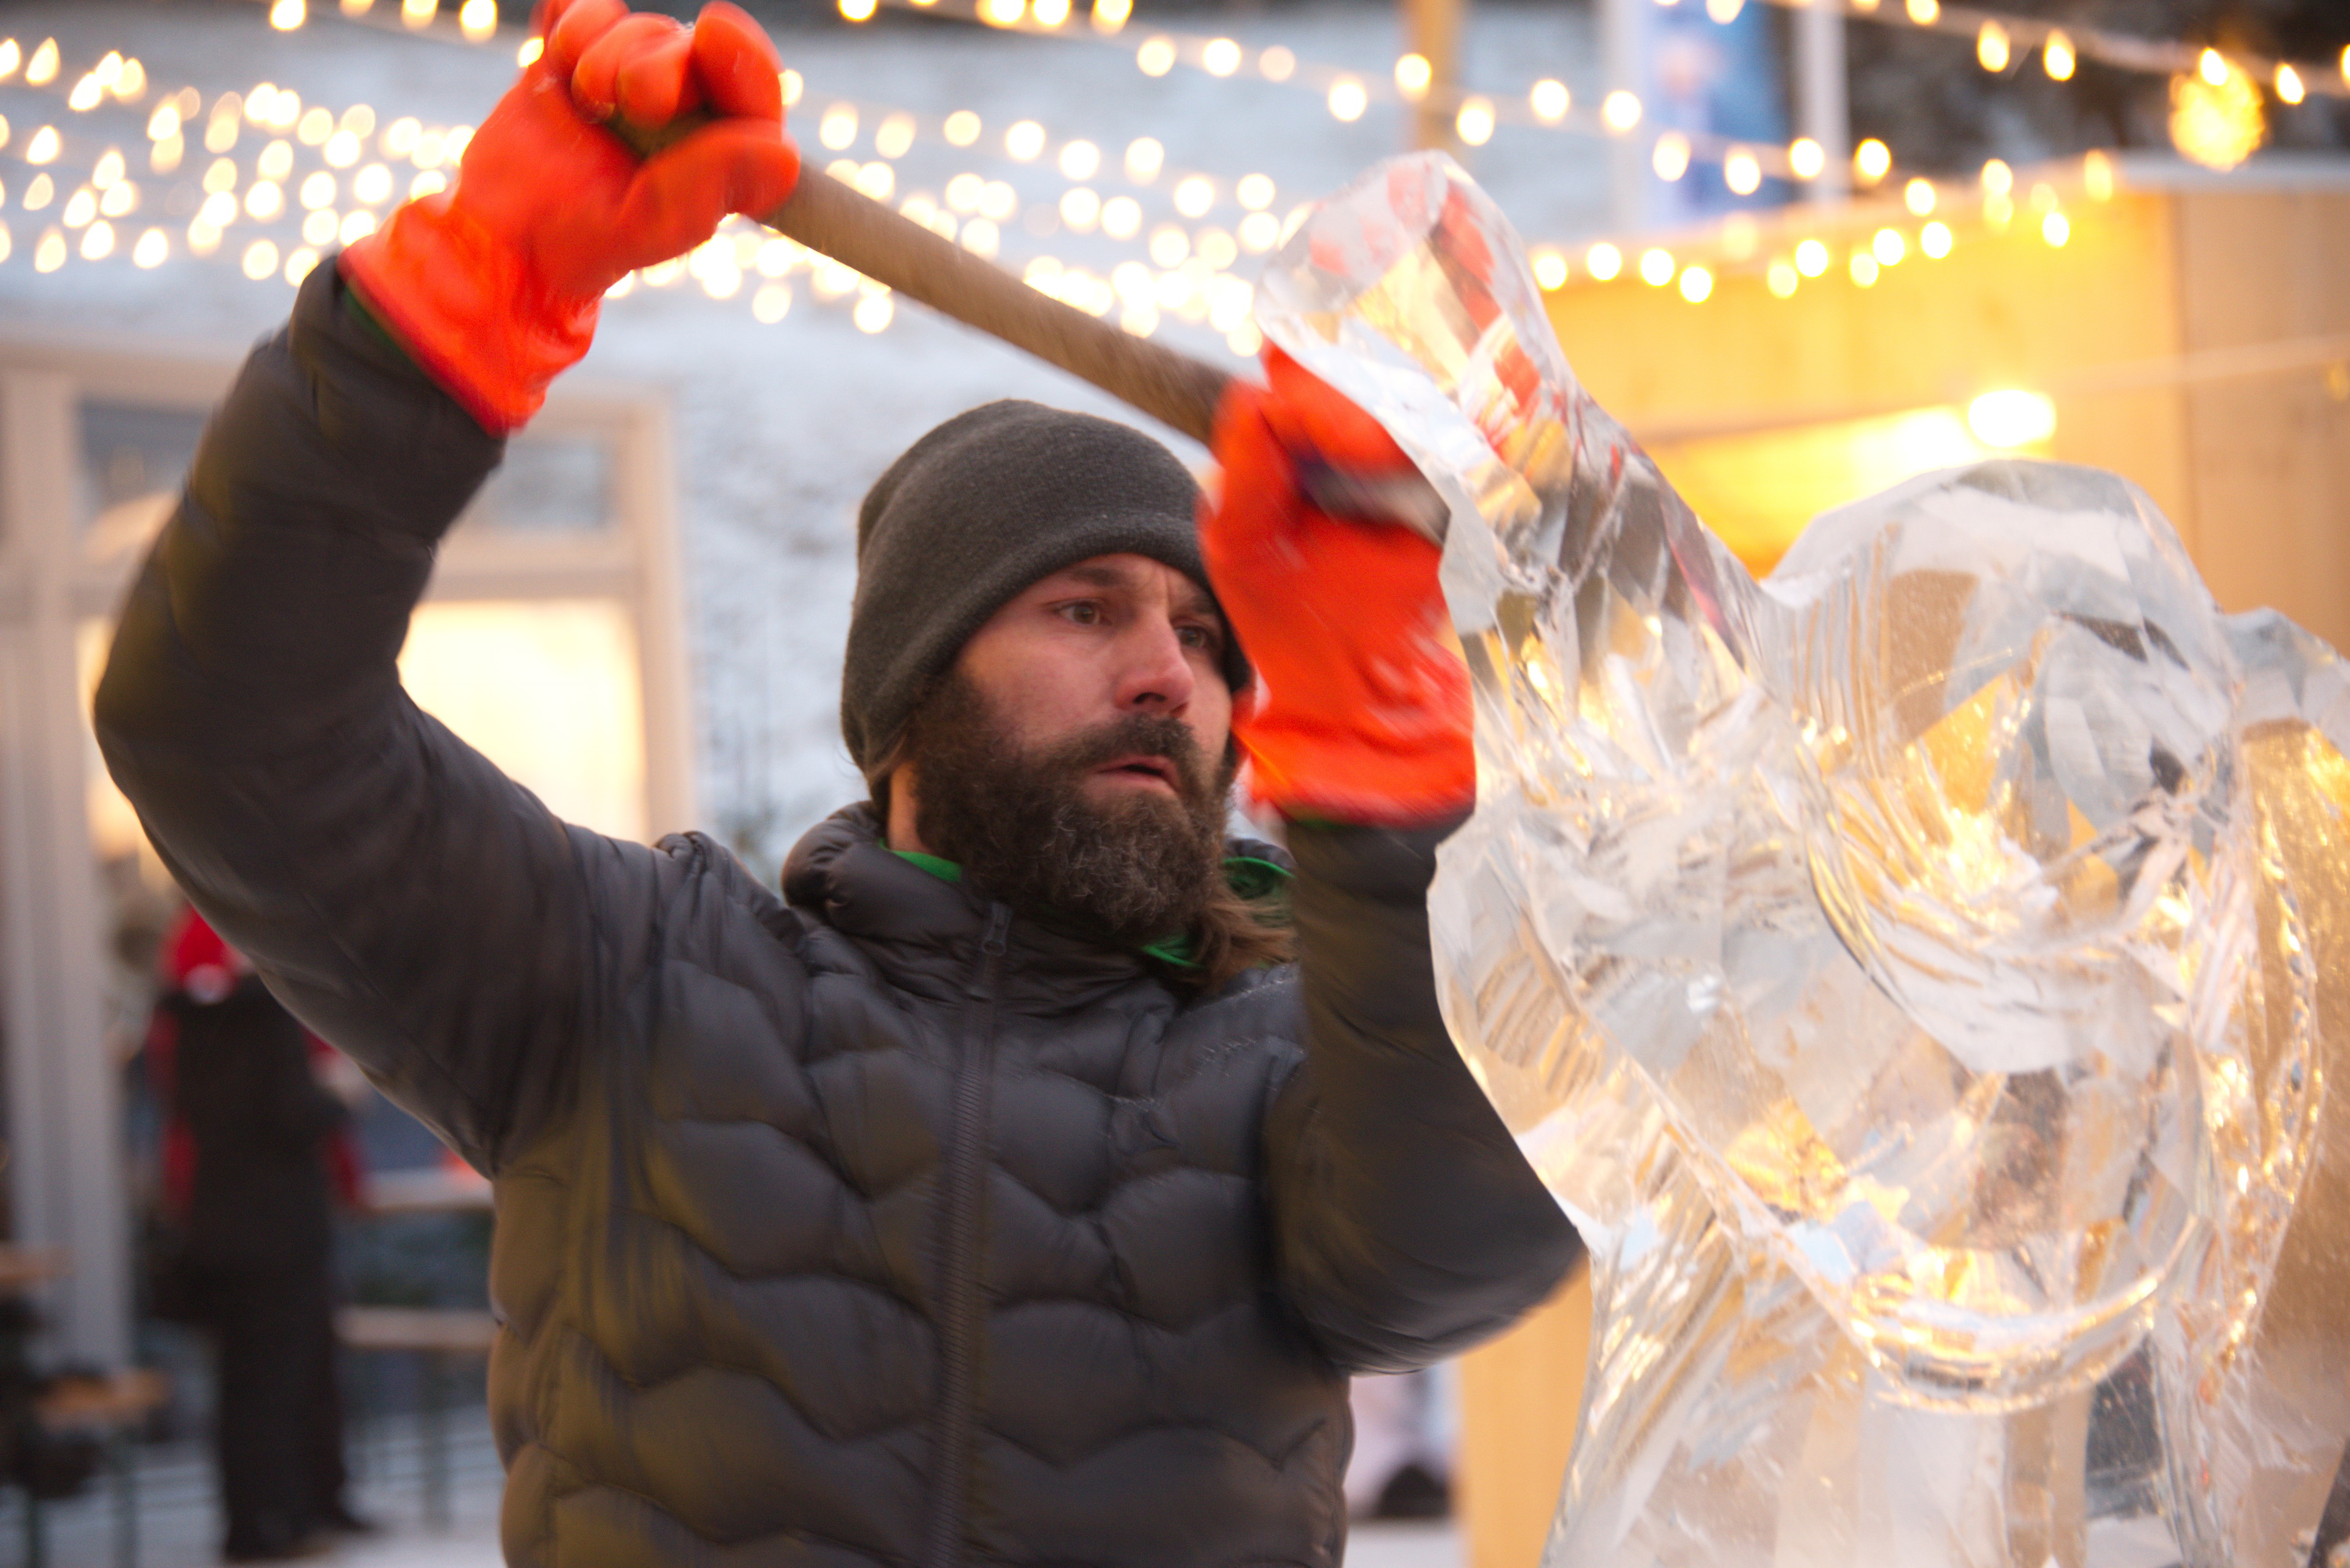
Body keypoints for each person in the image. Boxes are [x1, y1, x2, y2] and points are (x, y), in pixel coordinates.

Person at [93, 2, 1579, 1562]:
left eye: (1211, 635)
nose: (1170, 675)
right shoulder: (628, 974)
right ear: (908, 690)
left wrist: (1384, 761)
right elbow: (229, 723)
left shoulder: (1282, 1057)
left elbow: (1452, 1258)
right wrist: (466, 296)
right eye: (1087, 609)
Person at [146, 909, 367, 1562]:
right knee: (281, 1377)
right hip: (279, 1227)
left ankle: (261, 1518)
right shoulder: (268, 1017)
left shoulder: (184, 1023)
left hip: (218, 1220)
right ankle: (282, 1520)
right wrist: (341, 1100)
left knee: (248, 1383)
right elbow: (289, 1114)